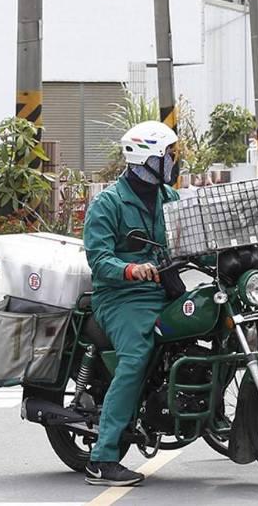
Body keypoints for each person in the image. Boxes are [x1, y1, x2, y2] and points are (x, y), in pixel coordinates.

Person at [82, 120, 181, 486]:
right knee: (136, 355)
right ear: (150, 159)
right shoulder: (108, 203)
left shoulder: (170, 199)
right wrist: (131, 269)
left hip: (164, 290)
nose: (174, 161)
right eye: (169, 155)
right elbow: (99, 260)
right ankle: (103, 458)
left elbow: (190, 244)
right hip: (121, 297)